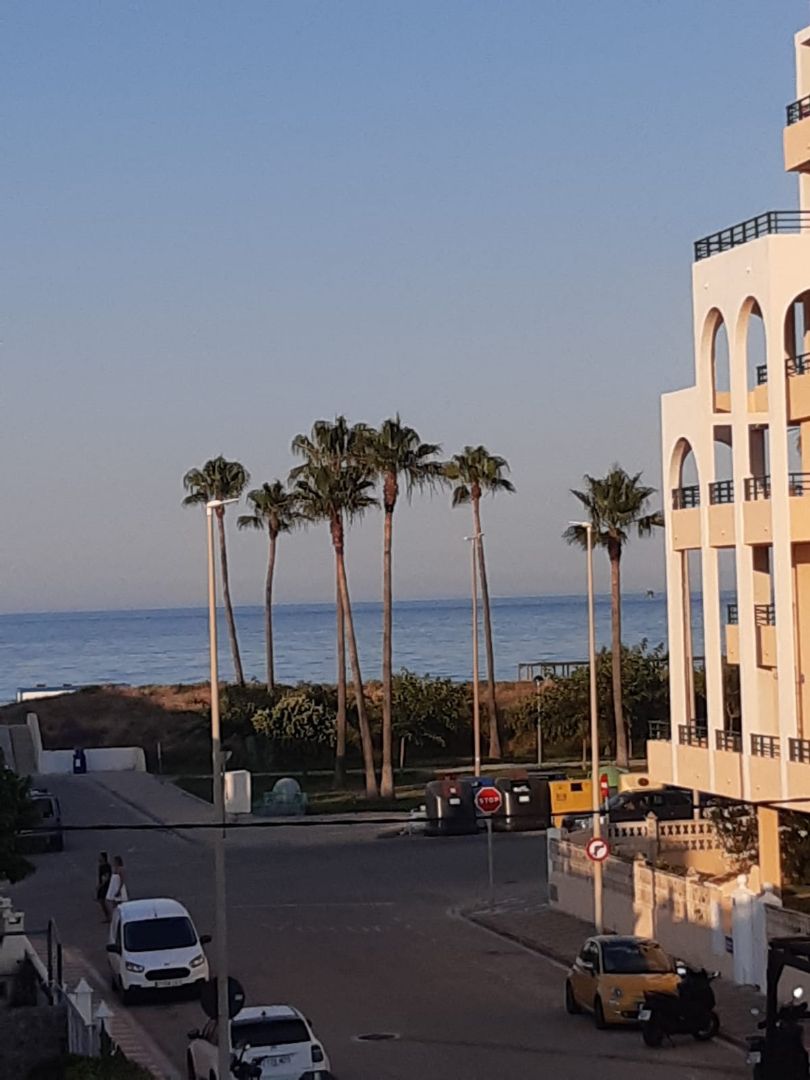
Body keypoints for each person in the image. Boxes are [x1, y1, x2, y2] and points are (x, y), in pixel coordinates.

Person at [97, 851, 112, 921]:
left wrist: (100, 885)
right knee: (101, 900)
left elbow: (106, 877)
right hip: (102, 885)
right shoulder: (101, 866)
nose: (99, 858)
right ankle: (108, 915)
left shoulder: (105, 866)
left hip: (105, 886)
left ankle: (108, 916)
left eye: (100, 857)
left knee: (102, 900)